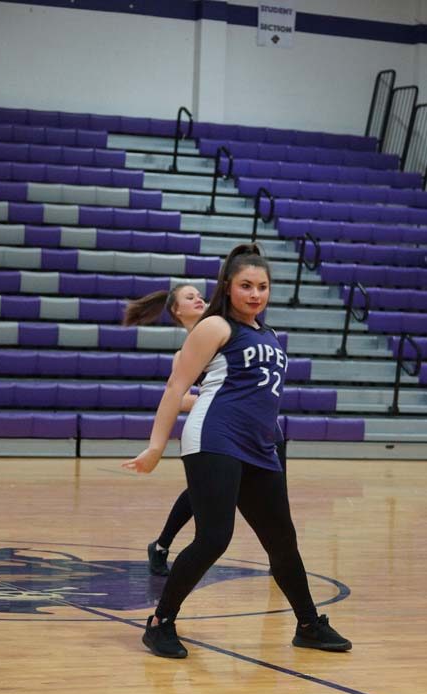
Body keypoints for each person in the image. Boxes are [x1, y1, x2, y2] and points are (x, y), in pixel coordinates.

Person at [122, 243, 351, 658]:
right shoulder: (214, 327)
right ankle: (160, 623)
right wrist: (156, 445)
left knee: (282, 541)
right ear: (228, 287)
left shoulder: (270, 334)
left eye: (262, 286)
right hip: (216, 437)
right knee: (214, 537)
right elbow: (176, 387)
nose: (255, 294)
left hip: (261, 445)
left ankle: (308, 625)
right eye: (246, 285)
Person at [123, 283, 208, 575]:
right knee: (205, 492)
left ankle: (280, 553)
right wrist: (212, 399)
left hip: (245, 424)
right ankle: (161, 545)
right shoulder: (183, 353)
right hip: (212, 427)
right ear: (176, 310)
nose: (198, 299)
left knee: (213, 491)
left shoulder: (223, 331)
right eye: (190, 296)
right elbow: (177, 398)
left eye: (200, 295)